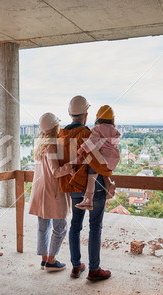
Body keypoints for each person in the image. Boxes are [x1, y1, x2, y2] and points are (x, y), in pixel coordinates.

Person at [57, 95, 112, 281]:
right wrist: (107, 181)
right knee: (95, 227)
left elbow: (61, 164)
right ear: (86, 114)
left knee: (75, 226)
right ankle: (94, 269)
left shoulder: (60, 135)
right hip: (93, 188)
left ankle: (75, 266)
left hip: (72, 187)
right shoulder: (89, 134)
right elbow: (96, 163)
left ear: (70, 114)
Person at [29, 112, 74, 272]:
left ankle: (43, 260)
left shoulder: (40, 144)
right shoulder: (52, 145)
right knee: (60, 226)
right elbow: (56, 172)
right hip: (51, 191)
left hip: (39, 190)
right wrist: (71, 166)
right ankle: (51, 260)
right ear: (55, 126)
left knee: (43, 226)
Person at [75, 105, 120, 210]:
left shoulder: (97, 128)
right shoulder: (114, 130)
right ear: (112, 119)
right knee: (100, 167)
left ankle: (88, 199)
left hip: (102, 160)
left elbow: (91, 142)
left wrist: (81, 150)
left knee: (90, 161)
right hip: (112, 161)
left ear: (98, 118)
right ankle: (108, 183)